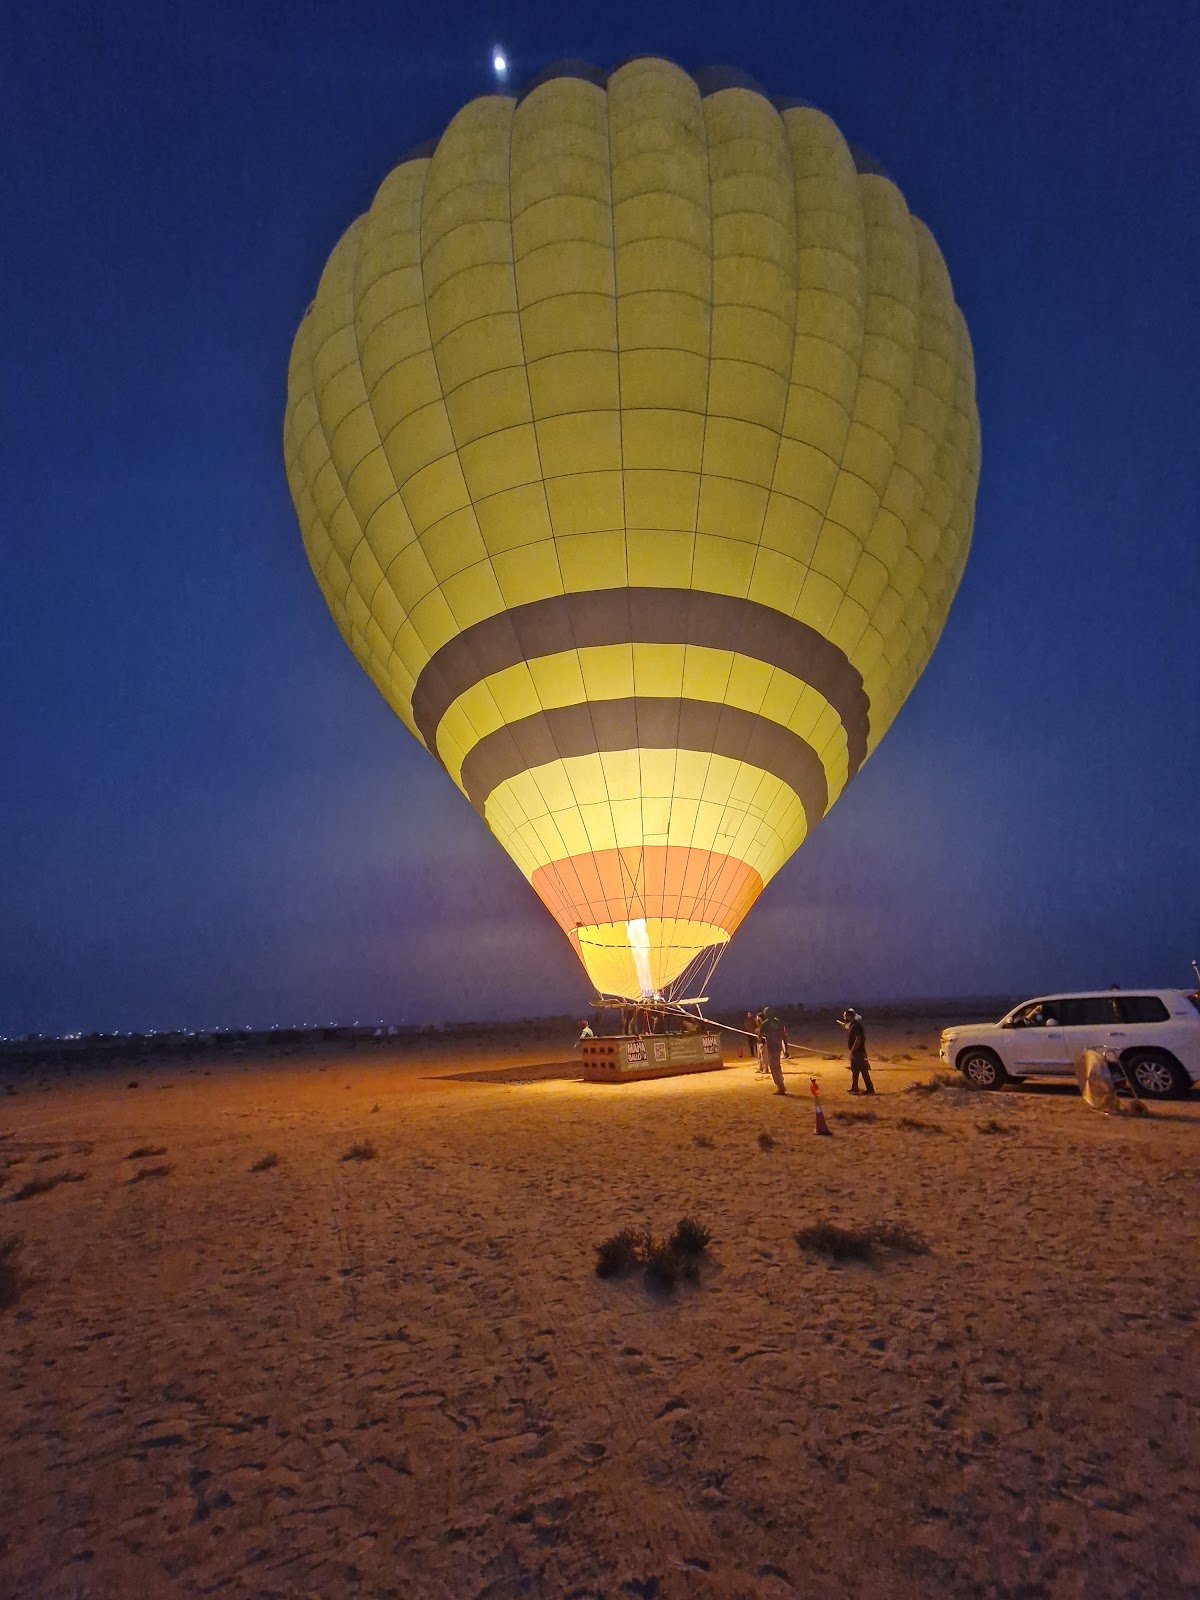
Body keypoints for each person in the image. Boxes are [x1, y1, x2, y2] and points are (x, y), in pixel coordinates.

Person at [837, 1007, 875, 1095]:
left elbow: (858, 1039)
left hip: (858, 1052)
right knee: (855, 1070)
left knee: (863, 1071)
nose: (844, 1018)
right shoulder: (852, 1025)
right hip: (855, 1052)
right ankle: (854, 1088)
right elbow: (848, 1028)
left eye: (845, 1016)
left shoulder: (856, 1026)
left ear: (849, 1016)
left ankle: (870, 1089)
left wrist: (853, 1050)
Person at [759, 1006, 788, 1095]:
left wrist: (763, 1037)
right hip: (778, 1047)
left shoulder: (765, 1024)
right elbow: (784, 1036)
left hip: (771, 1047)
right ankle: (781, 1085)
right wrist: (786, 1049)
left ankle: (780, 1087)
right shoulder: (778, 1022)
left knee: (774, 1067)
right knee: (777, 1066)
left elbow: (759, 1035)